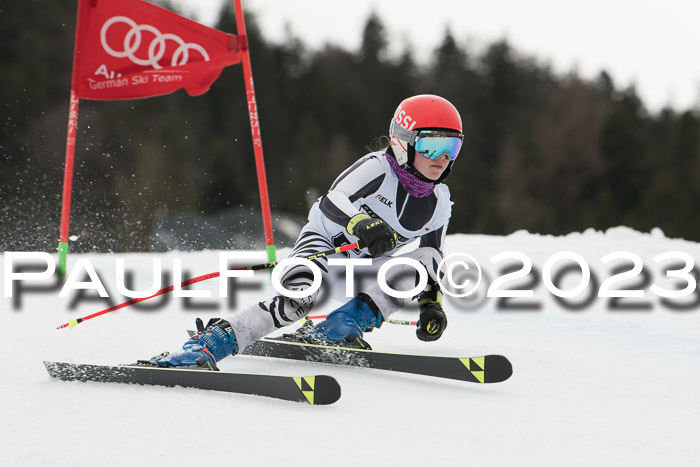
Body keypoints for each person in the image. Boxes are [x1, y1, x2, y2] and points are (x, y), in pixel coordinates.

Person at [154, 94, 464, 368]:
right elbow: (332, 201)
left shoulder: (439, 201)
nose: (443, 158)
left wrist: (430, 304)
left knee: (426, 261)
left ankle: (340, 327)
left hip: (365, 270)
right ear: (403, 141)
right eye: (432, 145)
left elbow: (431, 255)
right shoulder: (377, 169)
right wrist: (361, 223)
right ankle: (208, 344)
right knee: (295, 304)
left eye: (452, 147)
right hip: (324, 248)